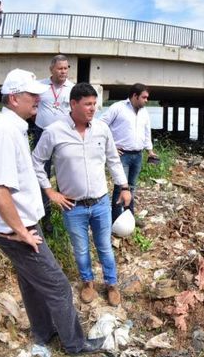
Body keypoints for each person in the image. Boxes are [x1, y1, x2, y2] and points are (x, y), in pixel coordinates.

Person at [0, 68, 105, 355]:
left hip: (16, 228)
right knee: (59, 287)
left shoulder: (12, 127)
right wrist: (22, 232)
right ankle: (74, 343)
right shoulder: (4, 132)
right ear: (13, 98)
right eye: (31, 94)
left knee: (32, 283)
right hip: (16, 231)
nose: (38, 98)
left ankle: (42, 332)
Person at [32, 83, 131, 307]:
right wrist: (49, 191)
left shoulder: (102, 130)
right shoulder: (54, 132)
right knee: (81, 248)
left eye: (95, 104)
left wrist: (124, 187)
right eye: (88, 104)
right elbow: (36, 161)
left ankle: (112, 284)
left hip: (100, 202)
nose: (93, 108)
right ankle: (88, 283)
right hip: (72, 206)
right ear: (73, 103)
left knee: (104, 245)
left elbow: (114, 160)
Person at [100, 83, 158, 222]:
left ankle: (129, 218)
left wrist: (149, 151)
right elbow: (101, 125)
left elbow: (146, 132)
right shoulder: (118, 108)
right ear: (134, 96)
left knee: (132, 187)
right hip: (122, 155)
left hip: (138, 155)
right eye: (144, 97)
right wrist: (111, 146)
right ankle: (115, 220)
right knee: (120, 187)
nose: (146, 100)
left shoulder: (144, 112)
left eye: (147, 97)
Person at [30, 54, 74, 234]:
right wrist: (38, 119)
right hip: (42, 134)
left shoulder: (72, 88)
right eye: (60, 68)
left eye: (66, 68)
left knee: (65, 176)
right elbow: (31, 106)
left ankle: (67, 216)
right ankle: (45, 218)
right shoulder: (39, 86)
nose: (63, 71)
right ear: (51, 69)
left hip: (63, 137)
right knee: (41, 174)